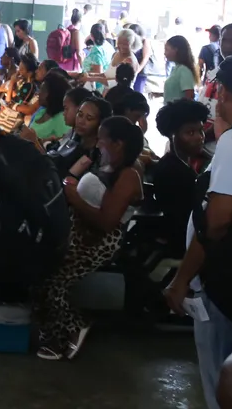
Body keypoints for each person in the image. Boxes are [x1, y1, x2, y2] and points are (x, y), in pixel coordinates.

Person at [165, 53, 232, 409]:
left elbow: (217, 221)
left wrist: (182, 279)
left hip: (230, 284)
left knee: (225, 379)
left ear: (223, 91)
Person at [35, 116, 145, 360]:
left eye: (102, 141)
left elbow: (107, 222)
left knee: (56, 280)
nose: (98, 145)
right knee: (44, 271)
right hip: (82, 233)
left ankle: (71, 330)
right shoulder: (109, 166)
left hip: (99, 241)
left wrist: (74, 198)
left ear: (118, 144)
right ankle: (56, 331)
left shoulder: (129, 175)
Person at [150, 100, 212, 256]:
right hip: (184, 246)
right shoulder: (174, 172)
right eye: (190, 133)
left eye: (201, 131)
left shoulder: (177, 164)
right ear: (173, 135)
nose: (200, 137)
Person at [20, 72, 73, 150]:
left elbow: (57, 152)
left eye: (43, 91)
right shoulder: (42, 111)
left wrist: (35, 141)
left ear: (52, 95)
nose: (38, 93)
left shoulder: (62, 119)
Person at [163, 34, 199, 103]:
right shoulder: (176, 68)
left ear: (175, 50)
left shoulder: (184, 70)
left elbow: (189, 95)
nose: (164, 53)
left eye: (167, 49)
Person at [81, 22, 114, 94]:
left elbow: (98, 71)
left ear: (91, 35)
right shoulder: (109, 46)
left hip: (97, 87)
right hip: (106, 84)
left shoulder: (97, 50)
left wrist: (82, 75)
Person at [63, 8, 84, 73]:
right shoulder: (76, 32)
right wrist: (84, 67)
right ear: (80, 20)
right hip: (71, 66)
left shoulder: (66, 30)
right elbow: (79, 53)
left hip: (62, 63)